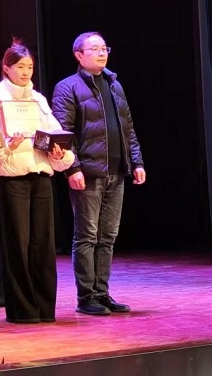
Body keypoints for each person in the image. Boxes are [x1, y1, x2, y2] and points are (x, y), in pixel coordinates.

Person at [0, 40, 75, 323]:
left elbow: (55, 131)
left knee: (43, 243)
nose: (25, 72)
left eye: (29, 67)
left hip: (40, 175)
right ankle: (23, 310)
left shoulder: (38, 99)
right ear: (6, 68)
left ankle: (45, 307)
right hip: (13, 180)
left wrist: (59, 150)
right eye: (20, 67)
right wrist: (7, 145)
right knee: (17, 244)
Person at [51, 31, 146, 316]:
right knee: (87, 236)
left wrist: (137, 162)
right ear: (79, 55)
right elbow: (62, 132)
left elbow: (128, 128)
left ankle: (102, 293)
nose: (102, 53)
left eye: (104, 48)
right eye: (94, 49)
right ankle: (86, 297)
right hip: (88, 173)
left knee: (108, 236)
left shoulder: (114, 84)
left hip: (116, 171)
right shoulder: (68, 87)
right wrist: (72, 168)